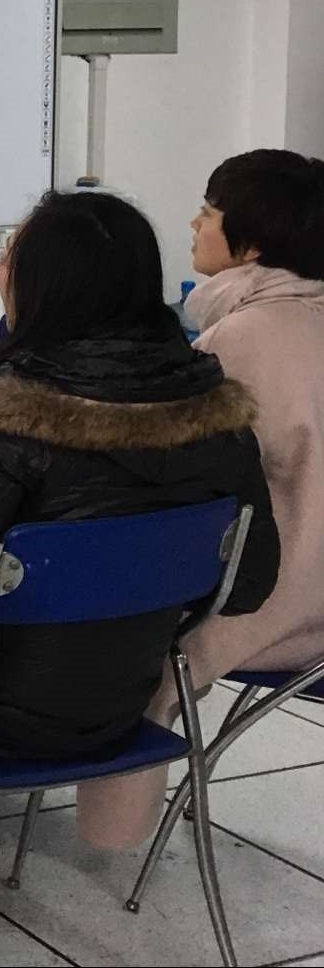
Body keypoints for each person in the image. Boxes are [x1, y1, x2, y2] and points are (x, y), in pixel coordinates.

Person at [0, 189, 278, 770]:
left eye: (8, 257)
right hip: (126, 703)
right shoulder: (217, 413)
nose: (0, 271)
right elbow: (248, 584)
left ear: (44, 284)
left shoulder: (8, 412)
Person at [80, 149, 324, 847]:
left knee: (116, 631)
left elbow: (166, 479)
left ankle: (112, 836)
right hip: (311, 587)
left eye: (208, 212)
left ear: (251, 243)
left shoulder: (240, 338)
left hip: (282, 604)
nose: (193, 222)